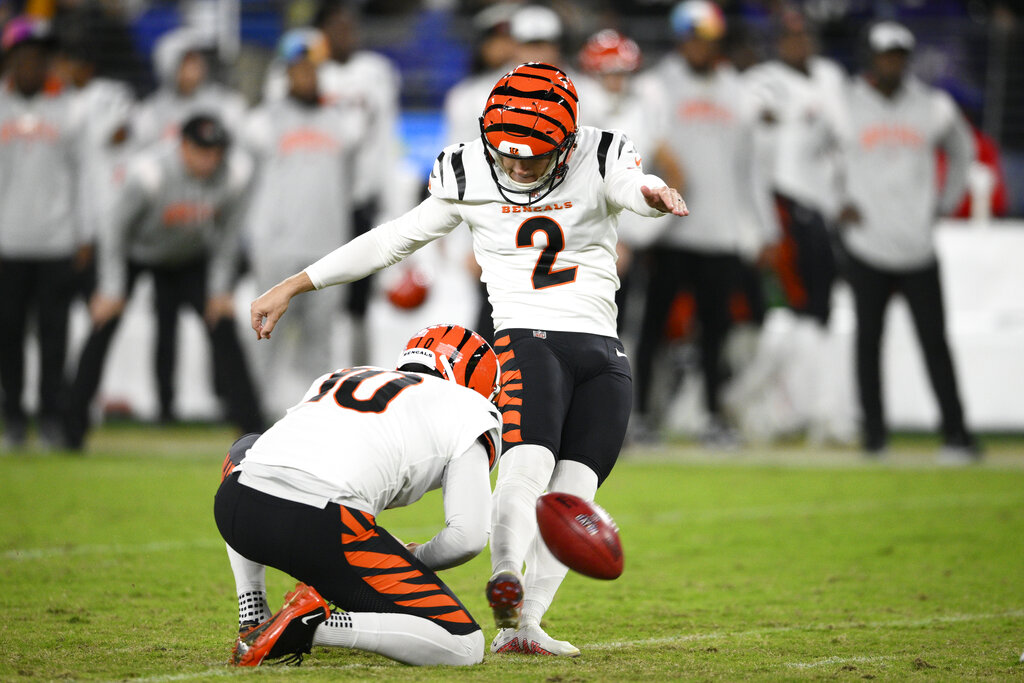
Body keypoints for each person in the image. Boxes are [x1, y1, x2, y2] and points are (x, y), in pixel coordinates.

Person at [249, 62, 688, 656]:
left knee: (573, 496)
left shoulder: (602, 154)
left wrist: (653, 195)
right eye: (508, 154)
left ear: (567, 142)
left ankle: (525, 626)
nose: (516, 167)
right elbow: (392, 239)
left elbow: (633, 186)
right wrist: (297, 284)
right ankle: (505, 574)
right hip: (526, 339)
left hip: (605, 351)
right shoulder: (467, 170)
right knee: (526, 470)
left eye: (533, 157)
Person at [215, 324, 502, 666]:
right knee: (465, 644)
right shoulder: (470, 408)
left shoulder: (340, 375)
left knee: (246, 450)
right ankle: (315, 626)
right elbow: (467, 538)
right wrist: (414, 559)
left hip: (236, 508)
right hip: (321, 525)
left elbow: (261, 452)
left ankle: (252, 607)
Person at [63, 114, 264, 449]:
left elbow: (229, 237)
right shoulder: (148, 173)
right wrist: (112, 288)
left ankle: (253, 434)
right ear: (183, 146)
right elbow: (113, 229)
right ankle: (70, 430)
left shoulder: (234, 177)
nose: (210, 159)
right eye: (202, 151)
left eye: (216, 152)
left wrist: (219, 289)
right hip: (135, 253)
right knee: (102, 324)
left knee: (224, 325)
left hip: (190, 256)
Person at [837, 22, 979, 460]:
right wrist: (834, 200)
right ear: (872, 58)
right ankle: (874, 438)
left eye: (898, 55)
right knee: (868, 346)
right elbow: (809, 150)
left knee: (935, 342)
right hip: (866, 243)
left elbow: (965, 151)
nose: (891, 62)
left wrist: (946, 201)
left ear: (907, 59)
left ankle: (956, 436)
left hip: (917, 244)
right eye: (884, 55)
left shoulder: (934, 106)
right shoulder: (846, 104)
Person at [633, 1, 773, 447]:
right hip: (668, 229)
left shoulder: (738, 91)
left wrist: (761, 227)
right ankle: (639, 416)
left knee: (717, 332)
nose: (699, 46)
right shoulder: (655, 88)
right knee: (653, 328)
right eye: (693, 37)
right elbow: (637, 154)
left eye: (707, 38)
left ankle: (714, 417)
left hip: (721, 232)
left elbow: (752, 168)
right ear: (681, 39)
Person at [241, 28, 367, 416]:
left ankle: (319, 416)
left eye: (312, 69)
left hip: (326, 247)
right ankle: (251, 417)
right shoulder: (263, 121)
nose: (306, 77)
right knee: (266, 335)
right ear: (285, 73)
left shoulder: (344, 122)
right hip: (276, 245)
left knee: (321, 340)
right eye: (298, 70)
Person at [0, 17, 85, 449]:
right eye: (25, 56)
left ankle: (50, 419)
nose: (33, 63)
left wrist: (84, 234)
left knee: (54, 342)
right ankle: (13, 420)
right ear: (11, 59)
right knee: (8, 339)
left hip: (55, 244)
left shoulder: (69, 110)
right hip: (6, 245)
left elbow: (85, 178)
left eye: (40, 57)